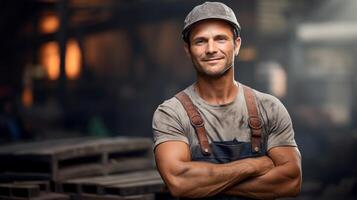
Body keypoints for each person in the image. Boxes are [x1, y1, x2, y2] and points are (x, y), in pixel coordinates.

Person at [152, 2, 301, 199]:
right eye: (200, 41)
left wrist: (205, 185)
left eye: (220, 39)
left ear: (236, 45)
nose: (211, 49)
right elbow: (180, 182)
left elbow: (290, 182)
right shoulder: (171, 112)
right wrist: (253, 165)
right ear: (188, 50)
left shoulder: (269, 108)